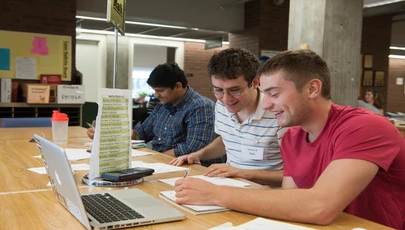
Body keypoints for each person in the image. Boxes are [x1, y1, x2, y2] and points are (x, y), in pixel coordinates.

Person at [173, 50, 405, 229]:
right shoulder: (293, 136)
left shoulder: (365, 126)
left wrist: (215, 194)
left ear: (313, 88)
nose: (265, 104)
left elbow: (320, 206)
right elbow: (289, 199)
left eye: (274, 94)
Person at [171, 48, 287, 186]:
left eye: (235, 90)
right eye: (218, 90)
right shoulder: (221, 106)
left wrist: (241, 173)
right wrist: (198, 155)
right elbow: (225, 140)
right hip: (231, 186)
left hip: (266, 195)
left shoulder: (279, 114)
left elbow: (296, 176)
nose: (226, 99)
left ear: (255, 83)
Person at [87, 62, 226, 167]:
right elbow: (139, 133)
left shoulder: (201, 107)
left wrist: (154, 159)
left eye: (160, 90)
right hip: (163, 164)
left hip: (190, 169)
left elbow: (191, 149)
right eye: (154, 90)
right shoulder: (163, 105)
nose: (155, 95)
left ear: (178, 86)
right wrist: (107, 134)